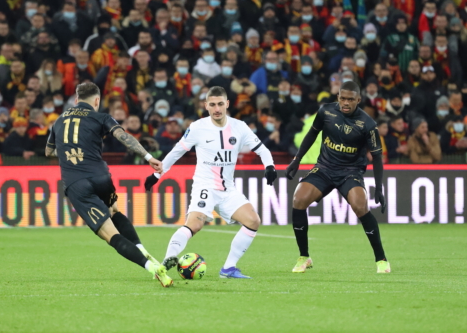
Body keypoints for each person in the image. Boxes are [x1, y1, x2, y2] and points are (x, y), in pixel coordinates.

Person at [45, 82, 173, 288]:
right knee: (114, 211)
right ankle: (142, 249)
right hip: (101, 176)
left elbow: (49, 152)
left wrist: (70, 151)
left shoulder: (58, 121)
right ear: (96, 101)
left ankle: (151, 268)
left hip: (76, 183)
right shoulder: (101, 117)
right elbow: (124, 137)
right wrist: (148, 157)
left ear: (76, 100)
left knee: (110, 235)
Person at [144, 86, 277, 279]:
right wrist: (157, 175)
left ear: (227, 104)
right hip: (205, 186)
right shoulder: (198, 127)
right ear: (206, 106)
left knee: (253, 221)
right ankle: (168, 260)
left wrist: (270, 166)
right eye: (212, 104)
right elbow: (176, 152)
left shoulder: (239, 126)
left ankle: (229, 268)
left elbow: (262, 149)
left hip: (228, 189)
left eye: (220, 104)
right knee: (195, 225)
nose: (217, 109)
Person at [285, 81, 390, 274]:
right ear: (338, 97)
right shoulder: (326, 111)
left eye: (351, 99)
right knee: (298, 199)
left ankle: (381, 259)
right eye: (342, 98)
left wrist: (379, 188)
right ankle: (304, 257)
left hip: (351, 171)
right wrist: (296, 160)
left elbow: (376, 157)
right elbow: (312, 134)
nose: (346, 102)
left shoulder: (368, 124)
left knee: (360, 206)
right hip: (324, 168)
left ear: (358, 99)